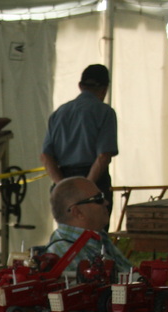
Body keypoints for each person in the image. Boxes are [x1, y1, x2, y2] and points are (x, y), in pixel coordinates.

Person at [41, 63, 118, 213]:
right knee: (95, 227)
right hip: (94, 181)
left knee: (68, 227)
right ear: (105, 89)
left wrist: (63, 187)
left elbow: (46, 156)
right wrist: (86, 189)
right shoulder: (105, 112)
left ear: (80, 86)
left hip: (64, 179)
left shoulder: (59, 113)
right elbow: (103, 156)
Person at [42, 177, 133, 277]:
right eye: (98, 199)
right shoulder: (67, 253)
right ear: (77, 212)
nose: (106, 202)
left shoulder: (96, 235)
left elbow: (131, 273)